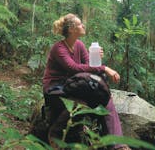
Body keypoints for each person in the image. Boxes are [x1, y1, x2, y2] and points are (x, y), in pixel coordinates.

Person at [43, 13, 130, 150]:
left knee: (105, 98)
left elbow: (89, 67)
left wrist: (96, 58)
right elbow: (73, 68)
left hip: (75, 85)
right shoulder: (59, 48)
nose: (83, 26)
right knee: (81, 103)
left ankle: (117, 146)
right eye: (79, 24)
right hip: (56, 88)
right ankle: (56, 132)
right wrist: (105, 68)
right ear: (71, 29)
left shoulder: (79, 45)